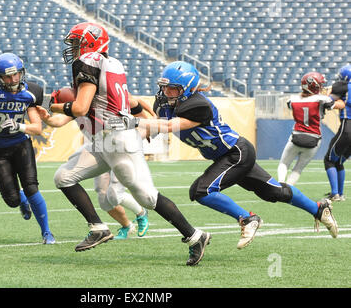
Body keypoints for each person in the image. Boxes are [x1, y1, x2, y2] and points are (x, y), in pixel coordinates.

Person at [48, 22, 211, 266]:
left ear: (90, 42)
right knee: (63, 177)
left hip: (117, 139)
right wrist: (146, 117)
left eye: (75, 42)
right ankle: (98, 228)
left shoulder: (89, 61)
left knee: (146, 197)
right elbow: (122, 101)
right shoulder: (112, 63)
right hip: (105, 138)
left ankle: (195, 236)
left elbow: (81, 107)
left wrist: (53, 104)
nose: (73, 48)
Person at [138, 61, 339, 249]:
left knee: (201, 191)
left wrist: (138, 124)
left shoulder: (199, 105)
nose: (166, 92)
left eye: (172, 88)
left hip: (236, 153)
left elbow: (167, 125)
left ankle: (247, 218)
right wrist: (143, 128)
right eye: (164, 87)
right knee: (273, 192)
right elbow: (157, 125)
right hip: (227, 155)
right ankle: (318, 208)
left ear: (187, 89)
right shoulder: (165, 103)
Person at [37, 93, 153, 240]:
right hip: (99, 147)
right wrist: (46, 117)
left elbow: (134, 100)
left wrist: (149, 120)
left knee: (114, 195)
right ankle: (127, 226)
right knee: (104, 199)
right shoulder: (78, 106)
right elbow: (58, 121)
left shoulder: (101, 97)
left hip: (120, 147)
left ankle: (142, 213)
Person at [0, 52, 55, 244]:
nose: (13, 79)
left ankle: (47, 232)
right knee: (12, 200)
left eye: (16, 74)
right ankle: (20, 199)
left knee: (32, 187)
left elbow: (37, 128)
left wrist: (19, 126)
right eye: (8, 76)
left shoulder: (31, 93)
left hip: (20, 145)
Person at [277, 72, 344, 186]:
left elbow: (299, 99)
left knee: (284, 163)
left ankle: (281, 184)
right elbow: (340, 105)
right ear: (315, 87)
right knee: (298, 168)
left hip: (296, 137)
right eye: (320, 85)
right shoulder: (322, 99)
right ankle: (288, 190)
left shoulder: (292, 99)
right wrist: (334, 97)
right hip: (314, 139)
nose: (321, 87)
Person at [323, 64, 351, 202]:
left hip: (348, 126)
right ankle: (339, 194)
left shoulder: (343, 85)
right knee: (338, 161)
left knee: (329, 160)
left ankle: (335, 193)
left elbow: (328, 99)